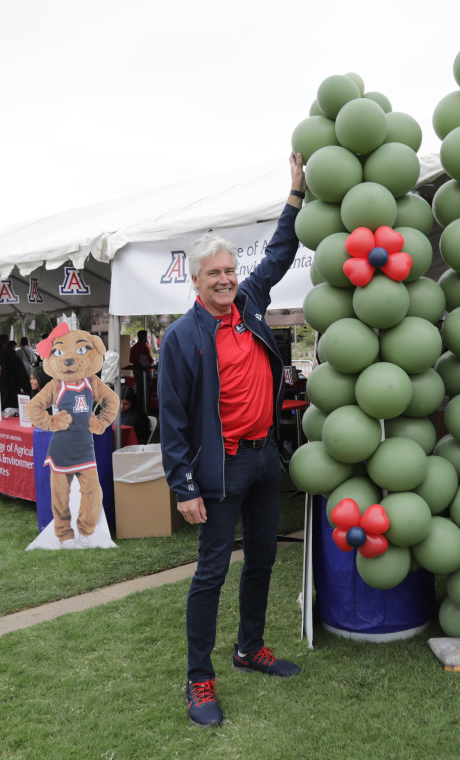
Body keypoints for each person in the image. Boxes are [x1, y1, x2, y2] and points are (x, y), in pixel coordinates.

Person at [159, 152, 305, 728]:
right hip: (219, 471)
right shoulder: (183, 337)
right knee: (212, 572)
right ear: (195, 281)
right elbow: (171, 421)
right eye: (213, 274)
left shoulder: (249, 305)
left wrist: (293, 196)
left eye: (228, 271)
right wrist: (183, 485)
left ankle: (249, 648)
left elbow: (279, 253)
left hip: (266, 459)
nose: (225, 280)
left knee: (264, 560)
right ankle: (199, 680)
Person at [128, 330, 155, 416]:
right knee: (146, 391)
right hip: (145, 372)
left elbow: (131, 360)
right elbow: (149, 360)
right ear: (144, 337)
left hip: (136, 372)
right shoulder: (144, 347)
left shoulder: (133, 347)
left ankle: (139, 409)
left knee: (139, 391)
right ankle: (145, 409)